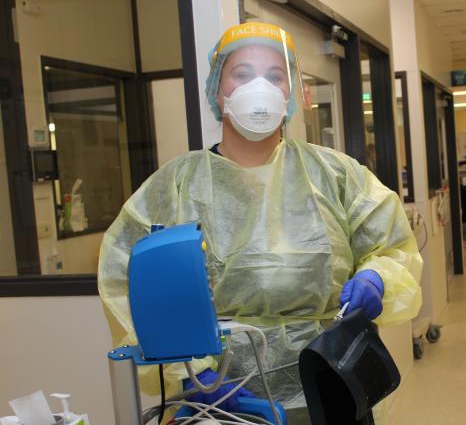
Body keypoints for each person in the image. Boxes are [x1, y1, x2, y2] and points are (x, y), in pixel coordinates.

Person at [97, 22, 423, 424]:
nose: (260, 88)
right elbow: (124, 279)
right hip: (215, 400)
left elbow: (391, 247)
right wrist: (191, 372)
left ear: (290, 93)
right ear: (218, 89)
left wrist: (377, 277)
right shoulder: (177, 186)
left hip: (330, 385)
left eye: (274, 76)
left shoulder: (334, 174)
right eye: (243, 74)